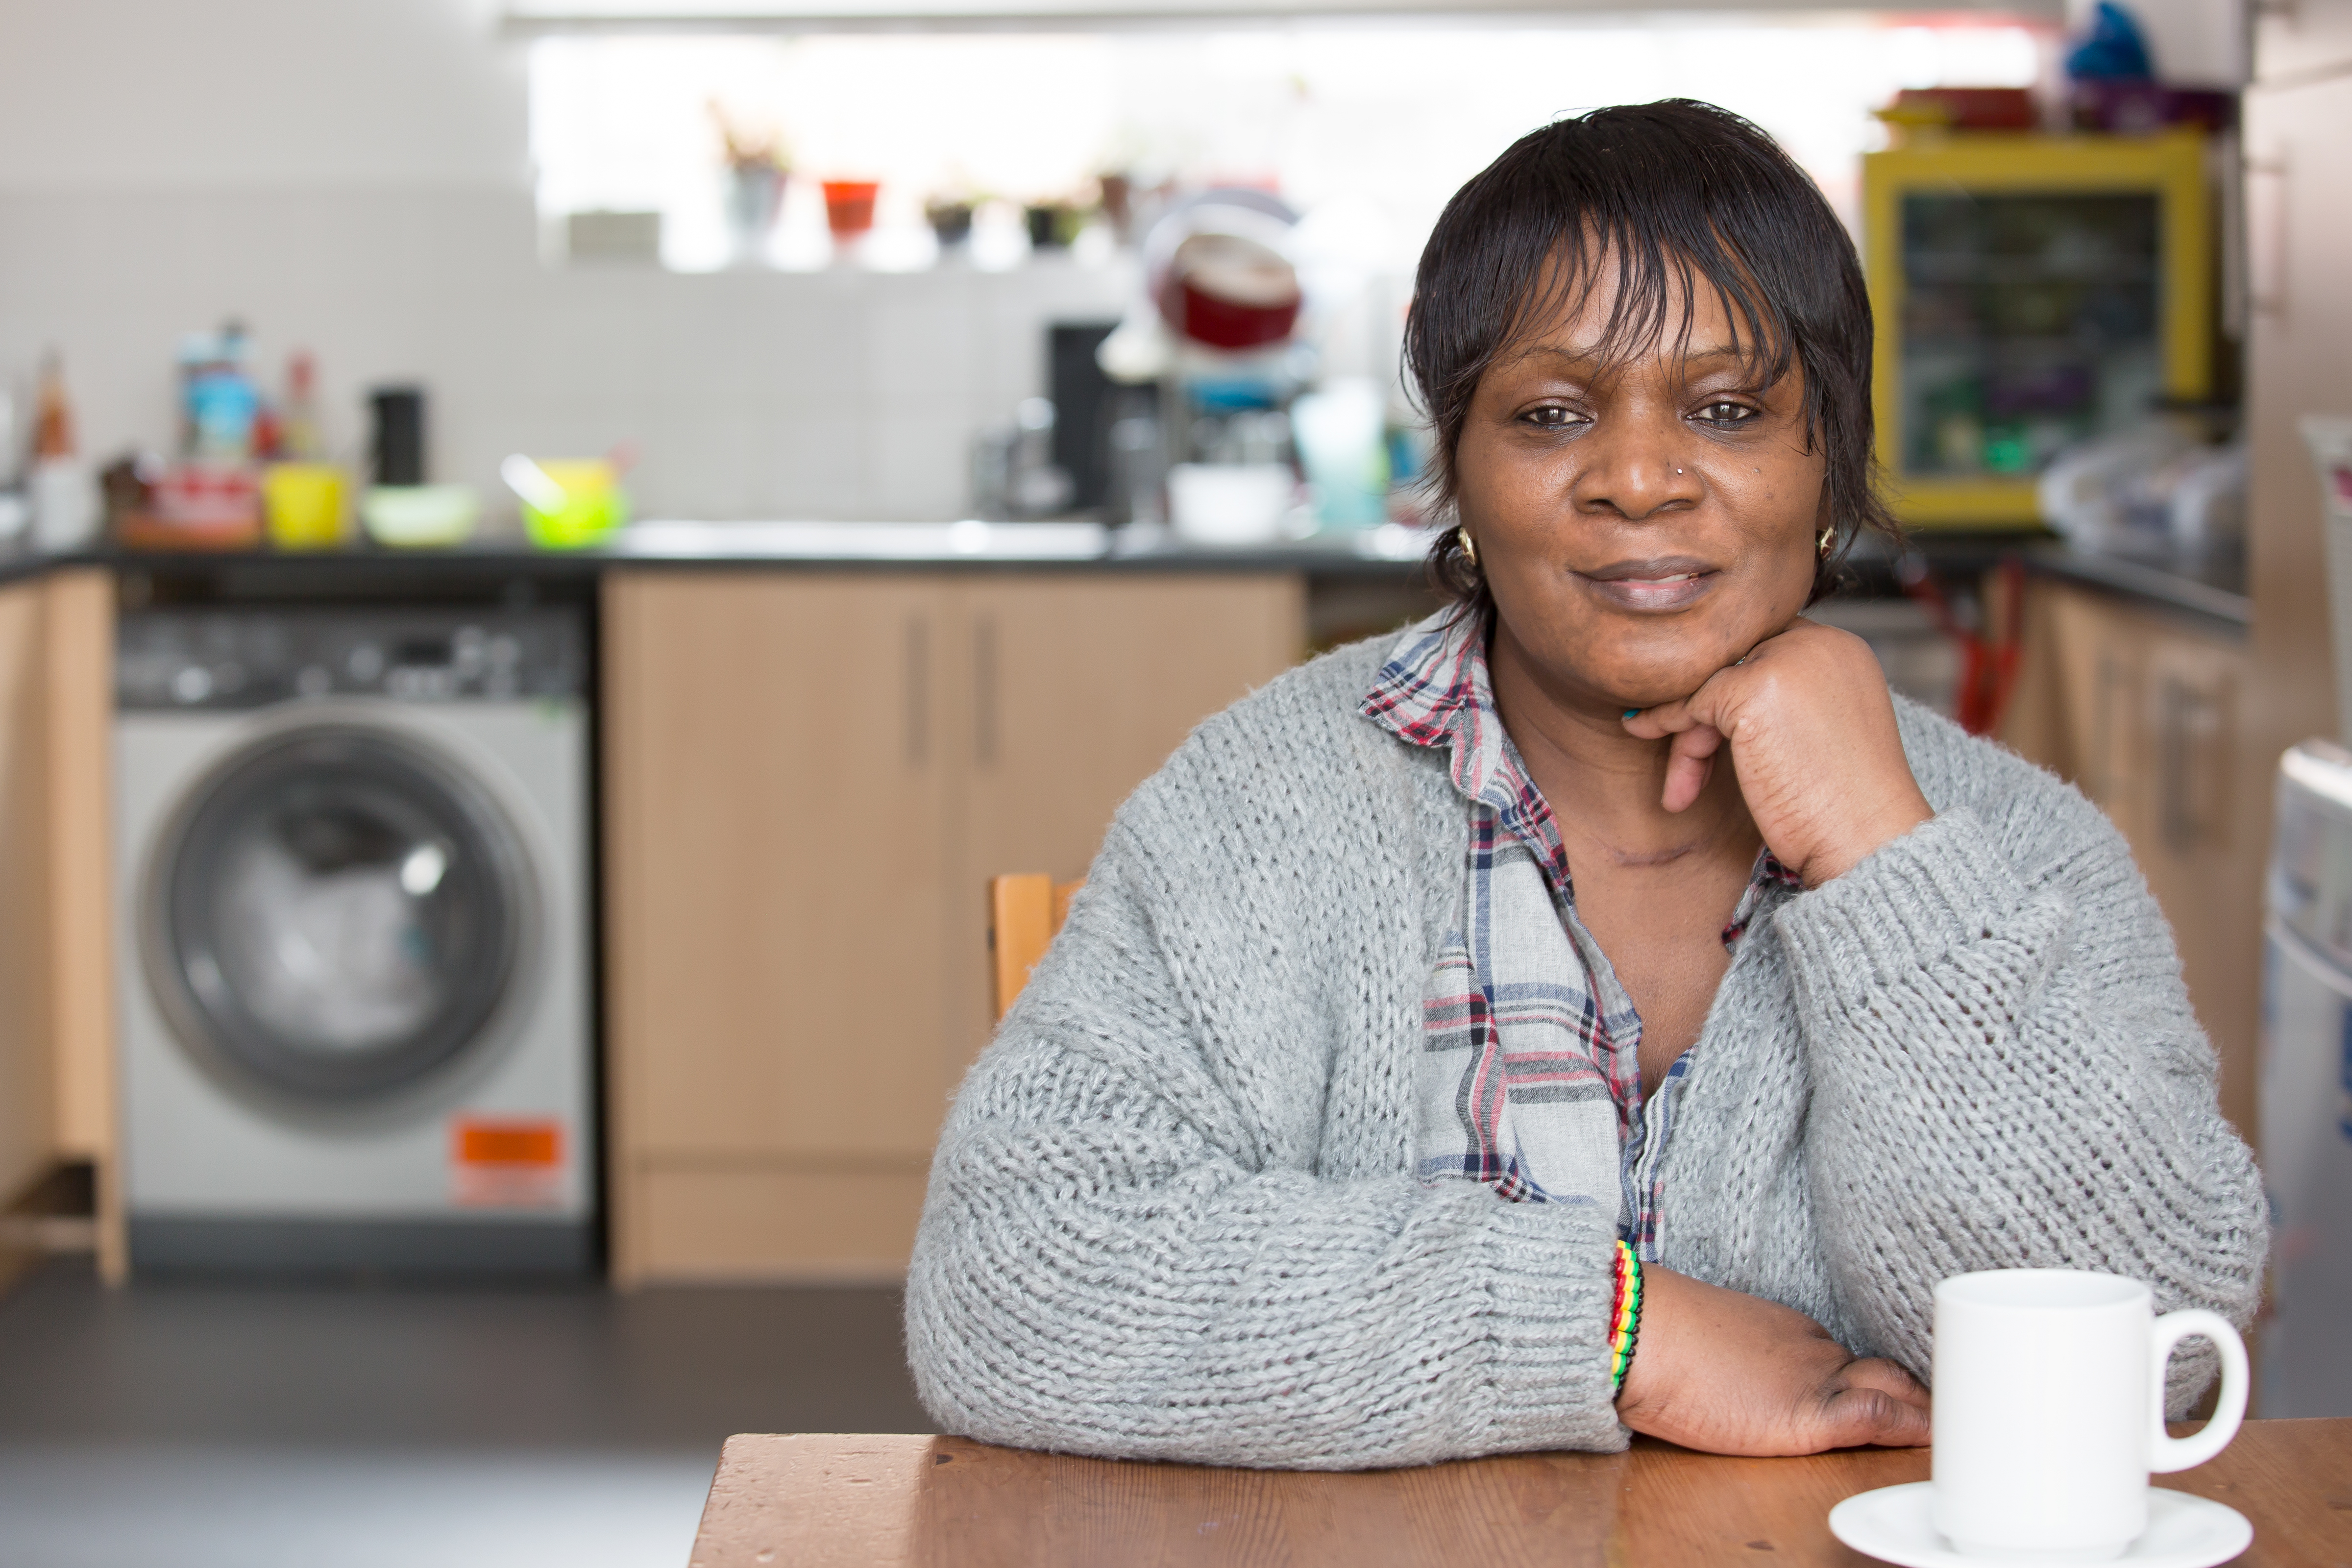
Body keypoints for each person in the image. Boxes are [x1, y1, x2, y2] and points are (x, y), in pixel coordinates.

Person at [905, 100, 2266, 1470]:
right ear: (1458, 473)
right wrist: (1619, 1335)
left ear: (1830, 459)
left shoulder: (2019, 849)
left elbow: (2161, 1365)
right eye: (1552, 414)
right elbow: (1009, 1276)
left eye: (1728, 409)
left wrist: (1880, 854)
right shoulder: (1258, 812)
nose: (1636, 480)